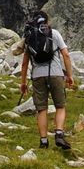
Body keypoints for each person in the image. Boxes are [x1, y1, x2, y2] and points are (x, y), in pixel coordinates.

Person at [18, 12, 75, 150]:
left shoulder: (29, 36)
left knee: (41, 109)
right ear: (47, 21)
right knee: (60, 106)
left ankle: (43, 141)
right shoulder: (54, 33)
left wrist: (23, 82)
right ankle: (59, 134)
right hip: (55, 74)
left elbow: (25, 63)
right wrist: (69, 75)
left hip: (37, 76)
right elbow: (66, 55)